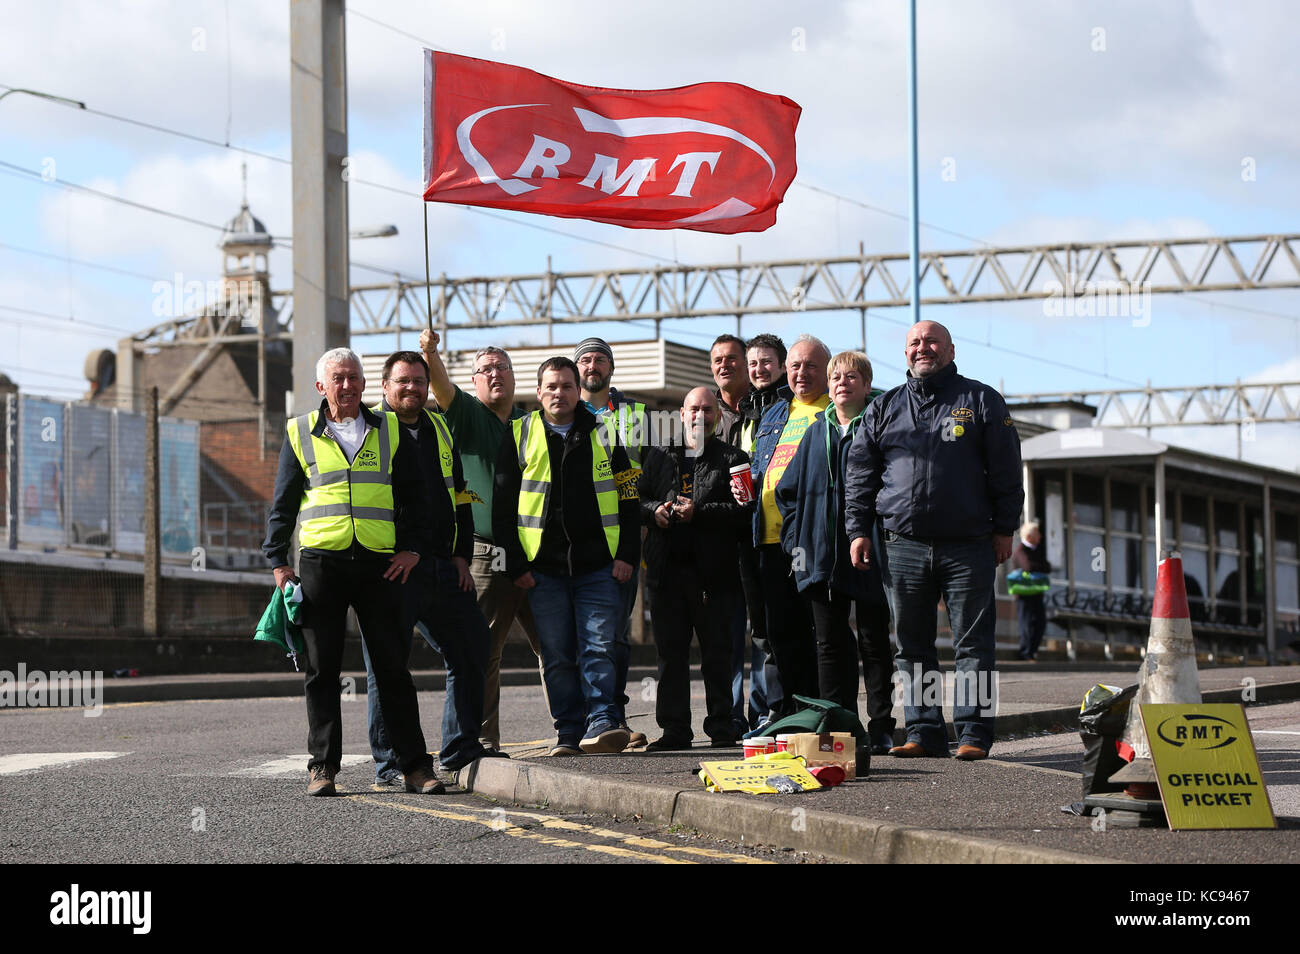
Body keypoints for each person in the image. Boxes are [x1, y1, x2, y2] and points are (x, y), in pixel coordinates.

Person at [263, 347, 441, 796]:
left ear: (365, 384)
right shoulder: (299, 431)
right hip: (323, 563)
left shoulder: (391, 429)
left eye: (354, 378)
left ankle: (416, 768)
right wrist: (279, 562)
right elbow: (283, 503)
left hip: (380, 564)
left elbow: (418, 497)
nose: (347, 386)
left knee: (392, 668)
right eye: (338, 379)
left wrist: (414, 549)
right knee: (321, 670)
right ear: (321, 387)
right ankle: (323, 768)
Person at [845, 320, 1024, 761]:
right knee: (912, 644)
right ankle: (923, 731)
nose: (922, 348)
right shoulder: (884, 407)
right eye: (914, 343)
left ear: (950, 349)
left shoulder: (981, 400)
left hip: (970, 544)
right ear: (906, 352)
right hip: (901, 544)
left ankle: (974, 734)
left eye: (931, 342)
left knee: (973, 643)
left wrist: (1005, 528)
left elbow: (1006, 468)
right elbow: (861, 474)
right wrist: (856, 530)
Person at [361, 351, 506, 789]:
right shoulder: (371, 430)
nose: (412, 388)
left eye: (419, 381)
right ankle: (391, 762)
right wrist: (406, 549)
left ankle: (459, 749)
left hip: (443, 565)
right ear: (385, 387)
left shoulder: (439, 426)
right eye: (403, 381)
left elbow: (460, 494)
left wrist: (462, 554)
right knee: (386, 666)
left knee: (472, 645)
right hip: (393, 569)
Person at [493, 356, 642, 755]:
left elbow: (629, 499)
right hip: (543, 570)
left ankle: (602, 721)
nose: (559, 393)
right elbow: (503, 507)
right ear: (539, 392)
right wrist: (516, 565)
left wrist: (627, 554)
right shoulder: (519, 434)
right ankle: (568, 733)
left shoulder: (605, 434)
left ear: (579, 391)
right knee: (557, 654)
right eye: (552, 387)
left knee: (599, 646)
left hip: (598, 565)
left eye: (567, 386)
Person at [418, 329, 542, 753]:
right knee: (484, 652)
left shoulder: (530, 425)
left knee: (556, 647)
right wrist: (431, 354)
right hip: (488, 556)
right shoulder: (468, 414)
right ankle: (483, 739)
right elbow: (441, 386)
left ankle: (572, 732)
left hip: (535, 554)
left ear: (514, 377)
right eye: (485, 369)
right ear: (473, 381)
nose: (495, 375)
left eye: (502, 368)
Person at [775, 351, 896, 754]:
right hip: (820, 556)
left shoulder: (880, 428)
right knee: (829, 645)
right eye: (836, 377)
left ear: (866, 384)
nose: (842, 382)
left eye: (851, 376)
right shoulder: (814, 432)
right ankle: (840, 726)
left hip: (870, 552)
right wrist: (796, 541)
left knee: (875, 641)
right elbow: (786, 492)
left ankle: (881, 726)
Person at [638, 387, 751, 750]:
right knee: (670, 656)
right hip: (665, 571)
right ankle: (674, 730)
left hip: (713, 575)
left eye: (707, 409)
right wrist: (655, 510)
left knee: (718, 654)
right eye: (693, 409)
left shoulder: (735, 457)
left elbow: (745, 510)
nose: (699, 415)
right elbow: (635, 501)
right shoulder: (657, 455)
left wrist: (698, 513)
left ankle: (723, 727)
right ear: (682, 414)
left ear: (717, 416)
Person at [745, 334, 832, 720]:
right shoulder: (775, 413)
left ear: (827, 372)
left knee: (818, 635)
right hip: (767, 539)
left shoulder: (833, 410)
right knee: (777, 635)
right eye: (796, 366)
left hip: (812, 540)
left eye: (811, 366)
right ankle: (783, 712)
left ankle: (819, 711)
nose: (801, 373)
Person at [575, 337, 650, 748]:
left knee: (615, 634)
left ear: (611, 368)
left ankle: (612, 718)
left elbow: (653, 470)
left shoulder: (637, 414)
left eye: (600, 358)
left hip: (624, 536)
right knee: (579, 637)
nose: (592, 365)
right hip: (576, 539)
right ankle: (584, 720)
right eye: (585, 359)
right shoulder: (562, 409)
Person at [709, 333, 763, 737]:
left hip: (761, 536)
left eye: (731, 359)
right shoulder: (705, 412)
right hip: (719, 542)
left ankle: (762, 716)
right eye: (717, 360)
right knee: (726, 636)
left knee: (761, 633)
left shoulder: (766, 409)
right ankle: (728, 719)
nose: (724, 365)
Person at [1011, 521, 1051, 660]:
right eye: (1037, 534)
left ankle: (1032, 651)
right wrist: (1039, 567)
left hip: (1037, 591)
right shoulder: (1020, 550)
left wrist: (1038, 567)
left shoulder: (1037, 550)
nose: (1040, 536)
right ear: (1029, 536)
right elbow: (1028, 566)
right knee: (1026, 623)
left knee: (1040, 622)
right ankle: (1025, 653)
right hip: (1023, 593)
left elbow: (1047, 567)